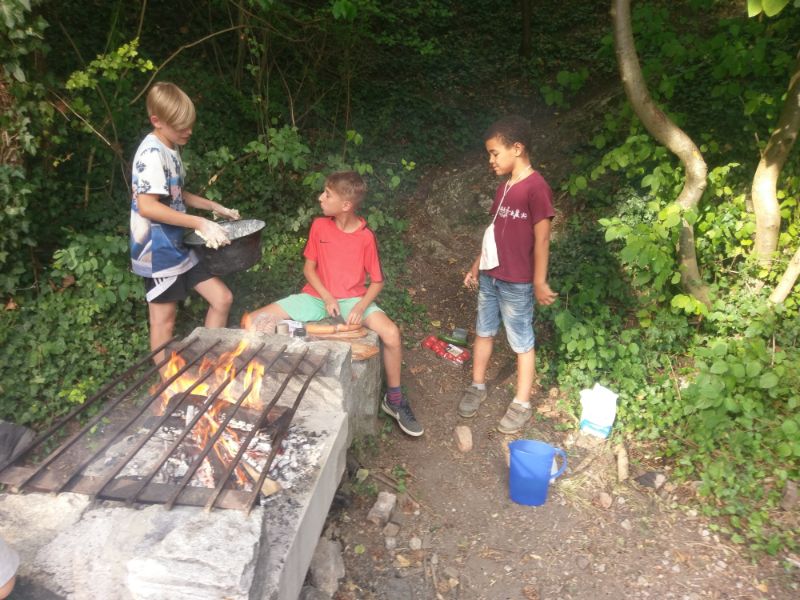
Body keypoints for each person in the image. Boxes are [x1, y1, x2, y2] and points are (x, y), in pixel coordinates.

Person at [244, 171, 424, 437]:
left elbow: (377, 282)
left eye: (327, 195)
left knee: (391, 334)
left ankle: (394, 399)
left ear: (346, 205)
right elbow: (309, 269)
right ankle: (255, 390)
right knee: (253, 321)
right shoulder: (319, 226)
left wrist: (360, 307)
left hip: (353, 300)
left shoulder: (365, 237)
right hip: (316, 296)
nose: (320, 198)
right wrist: (327, 296)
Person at [459, 115, 558, 434]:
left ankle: (522, 403)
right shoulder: (504, 187)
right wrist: (477, 264)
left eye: (494, 153)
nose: (490, 160)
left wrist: (539, 281)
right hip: (491, 276)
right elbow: (494, 230)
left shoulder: (536, 188)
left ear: (517, 148)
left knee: (521, 341)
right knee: (483, 331)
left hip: (517, 282)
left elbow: (542, 239)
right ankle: (477, 385)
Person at [130, 81, 240, 363]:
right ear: (157, 121)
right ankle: (165, 384)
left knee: (222, 299)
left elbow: (177, 194)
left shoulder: (171, 147)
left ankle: (208, 367)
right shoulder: (151, 153)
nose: (188, 131)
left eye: (189, 125)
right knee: (164, 322)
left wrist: (214, 207)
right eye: (181, 127)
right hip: (158, 251)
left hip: (178, 244)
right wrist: (200, 223)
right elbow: (147, 206)